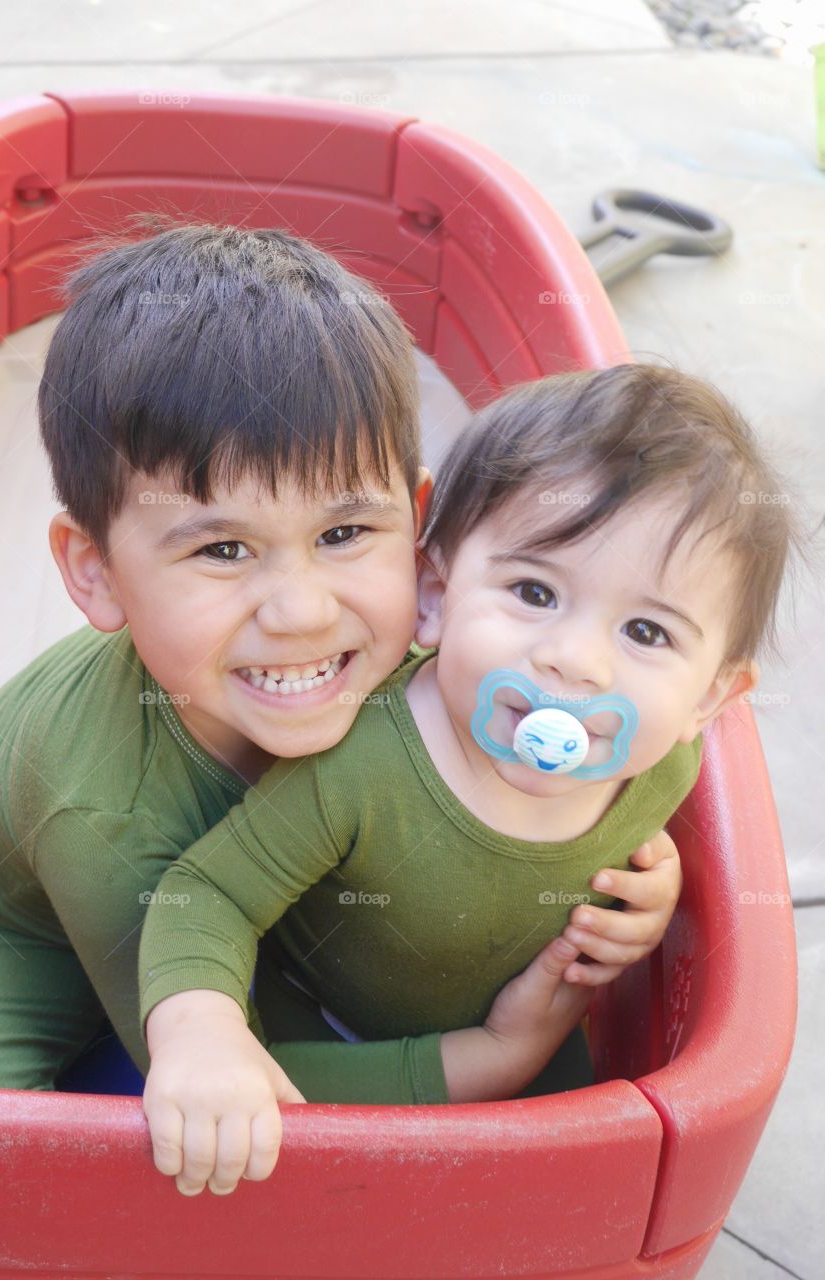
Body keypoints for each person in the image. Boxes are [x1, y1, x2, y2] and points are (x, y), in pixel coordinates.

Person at [0, 220, 678, 1112]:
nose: (301, 613)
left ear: (417, 527)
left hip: (264, 898)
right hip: (19, 921)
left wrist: (639, 864)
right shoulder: (102, 808)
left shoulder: (449, 659)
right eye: (221, 550)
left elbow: (557, 760)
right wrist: (489, 1056)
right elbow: (241, 1080)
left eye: (342, 534)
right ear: (95, 572)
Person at [140, 359, 800, 1199]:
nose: (575, 659)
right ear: (436, 591)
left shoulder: (664, 763)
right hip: (324, 1031)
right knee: (238, 1130)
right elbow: (205, 893)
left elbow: (624, 843)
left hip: (534, 1025)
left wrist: (651, 898)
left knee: (584, 1184)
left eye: (645, 630)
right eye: (533, 590)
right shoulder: (360, 766)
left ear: (709, 695)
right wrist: (202, 1030)